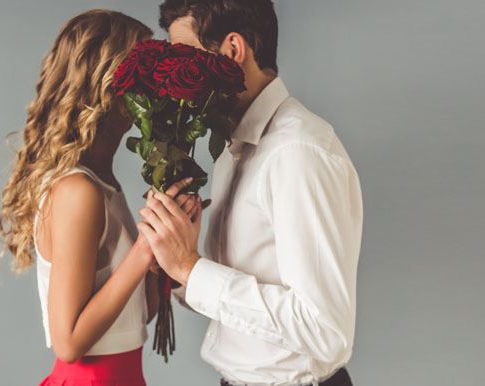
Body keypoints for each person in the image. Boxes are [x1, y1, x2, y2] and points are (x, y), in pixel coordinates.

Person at [137, 1, 362, 385]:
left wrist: (191, 269)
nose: (175, 76)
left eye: (185, 56)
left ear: (233, 50)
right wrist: (179, 271)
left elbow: (325, 331)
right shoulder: (235, 149)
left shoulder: (296, 152)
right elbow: (253, 311)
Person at [0, 10, 200, 386]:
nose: (154, 91)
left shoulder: (103, 183)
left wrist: (160, 259)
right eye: (144, 77)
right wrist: (143, 250)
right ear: (109, 85)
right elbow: (69, 342)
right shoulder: (79, 191)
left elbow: (129, 322)